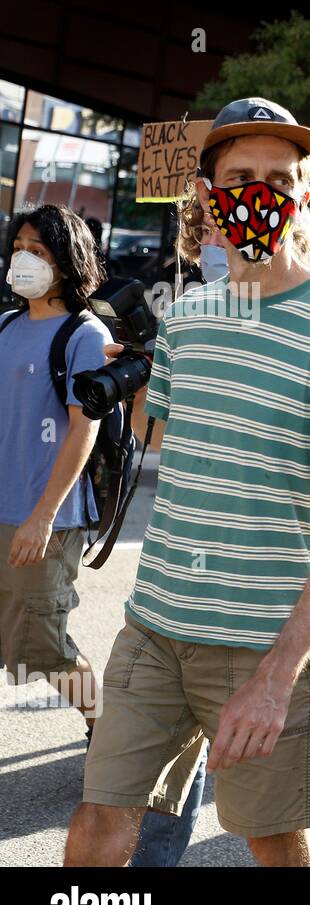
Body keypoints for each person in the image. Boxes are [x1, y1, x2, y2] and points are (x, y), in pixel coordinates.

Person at [64, 97, 310, 867]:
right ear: (210, 198)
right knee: (95, 825)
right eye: (241, 176)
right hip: (154, 627)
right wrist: (129, 383)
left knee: (275, 844)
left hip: (264, 645)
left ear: (304, 195)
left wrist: (278, 679)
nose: (261, 193)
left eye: (280, 179)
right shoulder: (188, 317)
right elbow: (181, 434)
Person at [128, 227, 310, 869]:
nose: (218, 237)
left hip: (274, 592)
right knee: (150, 788)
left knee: (261, 797)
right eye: (206, 228)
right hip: (180, 598)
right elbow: (158, 432)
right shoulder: (194, 315)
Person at [0, 205, 110, 740]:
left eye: (38, 251)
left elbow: (82, 430)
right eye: (19, 246)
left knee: (43, 648)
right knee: (6, 641)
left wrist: (42, 517)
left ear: (65, 263)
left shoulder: (82, 334)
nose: (23, 258)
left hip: (45, 518)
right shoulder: (4, 326)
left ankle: (108, 729)